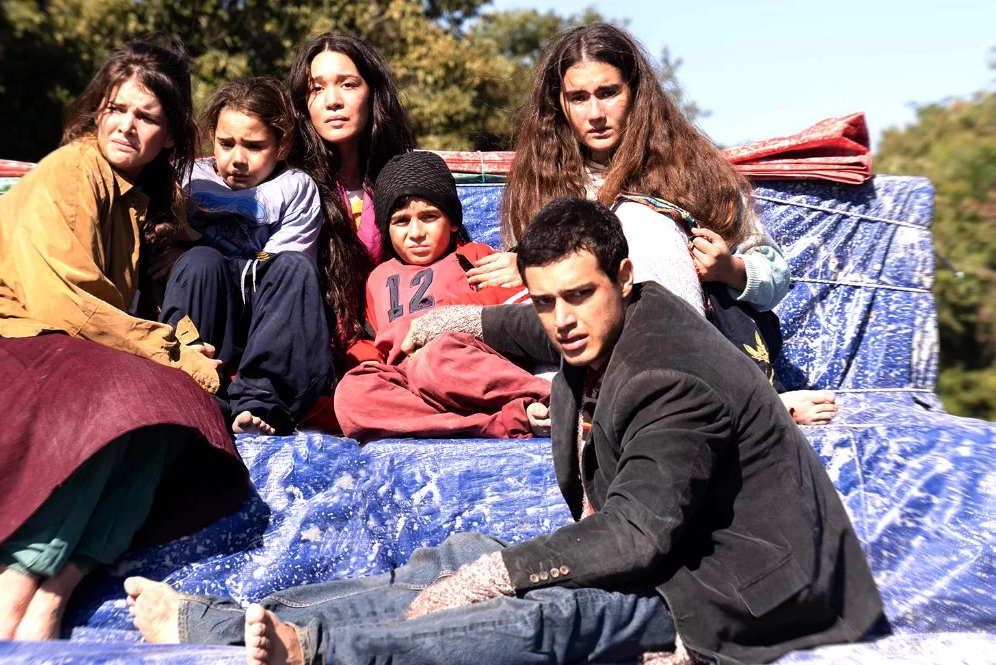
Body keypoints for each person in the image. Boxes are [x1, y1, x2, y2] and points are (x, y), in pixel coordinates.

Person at [122, 198, 885, 665]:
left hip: (732, 589)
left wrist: (499, 576)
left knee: (547, 611)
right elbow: (533, 324)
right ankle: (216, 623)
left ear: (624, 278)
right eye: (545, 299)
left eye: (577, 296)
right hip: (669, 549)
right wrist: (452, 319)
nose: (562, 320)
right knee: (453, 558)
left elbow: (635, 534)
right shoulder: (603, 314)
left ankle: (313, 651)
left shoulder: (670, 376)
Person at [0, 41, 250, 641]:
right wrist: (169, 353)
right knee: (129, 391)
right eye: (116, 108)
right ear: (97, 110)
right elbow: (64, 303)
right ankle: (12, 583)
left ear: (170, 136)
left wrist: (185, 350)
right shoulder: (71, 170)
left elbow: (138, 306)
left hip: (61, 343)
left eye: (146, 116)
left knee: (176, 409)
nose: (126, 125)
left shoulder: (142, 204)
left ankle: (56, 590)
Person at [500, 22, 836, 425]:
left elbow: (775, 277)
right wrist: (523, 267)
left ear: (635, 93)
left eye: (608, 93)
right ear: (560, 104)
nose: (596, 114)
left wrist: (729, 269)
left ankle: (722, 401)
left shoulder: (695, 173)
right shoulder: (539, 185)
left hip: (689, 357)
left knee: (640, 222)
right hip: (583, 355)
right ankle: (583, 406)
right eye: (579, 98)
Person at [333, 151, 549, 441]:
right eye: (401, 221)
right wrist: (365, 363)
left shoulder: (473, 258)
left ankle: (550, 399)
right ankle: (504, 420)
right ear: (386, 230)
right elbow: (373, 341)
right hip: (408, 382)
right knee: (352, 394)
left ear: (453, 221)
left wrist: (445, 317)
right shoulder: (378, 279)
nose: (416, 233)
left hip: (460, 368)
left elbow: (512, 310)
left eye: (429, 217)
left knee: (436, 358)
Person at [159, 77, 331, 436]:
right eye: (226, 144)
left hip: (263, 305)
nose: (237, 159)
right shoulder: (185, 179)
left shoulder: (296, 188)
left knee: (296, 267)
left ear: (282, 145)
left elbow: (275, 265)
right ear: (212, 136)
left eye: (254, 146)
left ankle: (261, 400)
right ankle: (194, 386)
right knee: (200, 262)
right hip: (205, 299)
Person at [285, 33, 415, 365]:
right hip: (308, 355)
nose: (332, 101)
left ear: (373, 93)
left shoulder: (407, 179)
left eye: (347, 84)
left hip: (398, 349)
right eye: (316, 88)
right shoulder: (286, 187)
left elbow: (451, 257)